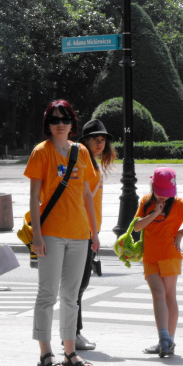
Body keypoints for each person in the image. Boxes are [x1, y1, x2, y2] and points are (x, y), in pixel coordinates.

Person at [25, 100, 100, 366]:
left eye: (65, 119)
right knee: (47, 295)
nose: (60, 124)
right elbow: (34, 198)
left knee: (72, 296)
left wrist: (94, 232)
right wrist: (37, 236)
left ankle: (70, 353)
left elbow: (87, 195)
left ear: (72, 124)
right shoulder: (40, 152)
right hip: (51, 234)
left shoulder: (80, 152)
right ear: (48, 124)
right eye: (55, 120)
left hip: (80, 234)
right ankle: (46, 353)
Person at [134, 167, 183, 357]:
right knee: (158, 293)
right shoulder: (145, 202)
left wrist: (182, 233)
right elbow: (136, 227)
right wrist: (153, 214)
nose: (163, 198)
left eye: (167, 194)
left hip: (170, 255)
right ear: (153, 186)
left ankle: (168, 340)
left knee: (168, 295)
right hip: (150, 256)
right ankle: (163, 338)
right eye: (160, 193)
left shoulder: (179, 204)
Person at [74, 119, 117, 351]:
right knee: (78, 285)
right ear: (85, 141)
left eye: (103, 140)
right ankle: (73, 334)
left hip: (90, 229)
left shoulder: (94, 164)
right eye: (95, 139)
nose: (100, 143)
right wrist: (92, 231)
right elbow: (82, 199)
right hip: (83, 230)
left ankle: (73, 333)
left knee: (80, 284)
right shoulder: (83, 164)